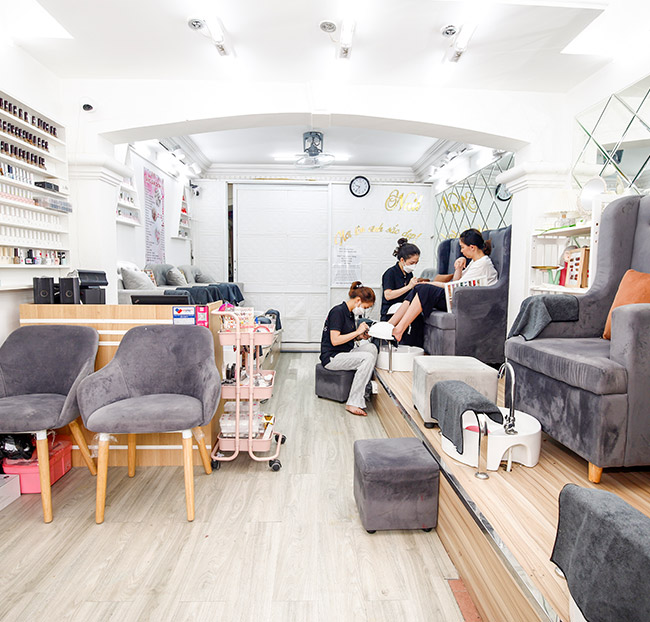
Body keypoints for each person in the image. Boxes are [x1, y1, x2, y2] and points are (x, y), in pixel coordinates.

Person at [390, 229, 498, 342]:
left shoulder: (483, 264)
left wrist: (430, 283)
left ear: (472, 247)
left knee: (424, 289)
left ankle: (398, 330)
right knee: (419, 288)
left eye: (462, 247)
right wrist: (459, 267)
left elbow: (456, 286)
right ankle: (391, 324)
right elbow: (458, 281)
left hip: (467, 302)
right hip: (460, 297)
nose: (461, 251)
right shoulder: (475, 262)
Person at [320, 281, 378, 416]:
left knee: (372, 348)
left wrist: (360, 337)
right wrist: (357, 331)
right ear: (358, 300)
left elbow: (346, 338)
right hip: (332, 358)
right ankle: (353, 402)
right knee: (367, 358)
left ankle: (365, 389)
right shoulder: (337, 312)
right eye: (365, 307)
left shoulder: (350, 314)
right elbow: (335, 340)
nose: (364, 311)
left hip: (345, 352)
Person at [380, 238, 425, 347]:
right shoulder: (390, 273)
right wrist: (409, 287)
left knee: (419, 321)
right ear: (402, 260)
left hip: (404, 309)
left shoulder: (408, 274)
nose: (414, 266)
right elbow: (388, 295)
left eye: (416, 263)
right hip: (391, 312)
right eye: (411, 263)